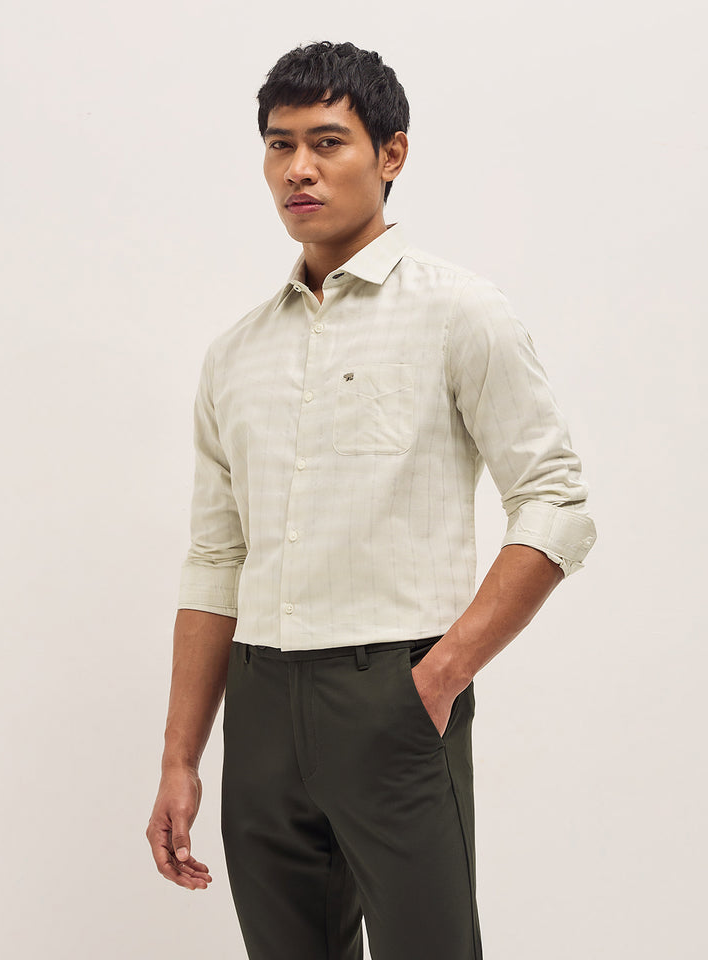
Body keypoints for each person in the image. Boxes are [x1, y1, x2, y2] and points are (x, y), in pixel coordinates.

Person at [146, 39, 597, 960]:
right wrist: (181, 757)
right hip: (259, 705)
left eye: (326, 142)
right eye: (279, 145)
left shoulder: (460, 312)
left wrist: (439, 677)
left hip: (393, 694)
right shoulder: (235, 354)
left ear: (391, 154)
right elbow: (217, 556)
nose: (298, 169)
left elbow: (555, 502)